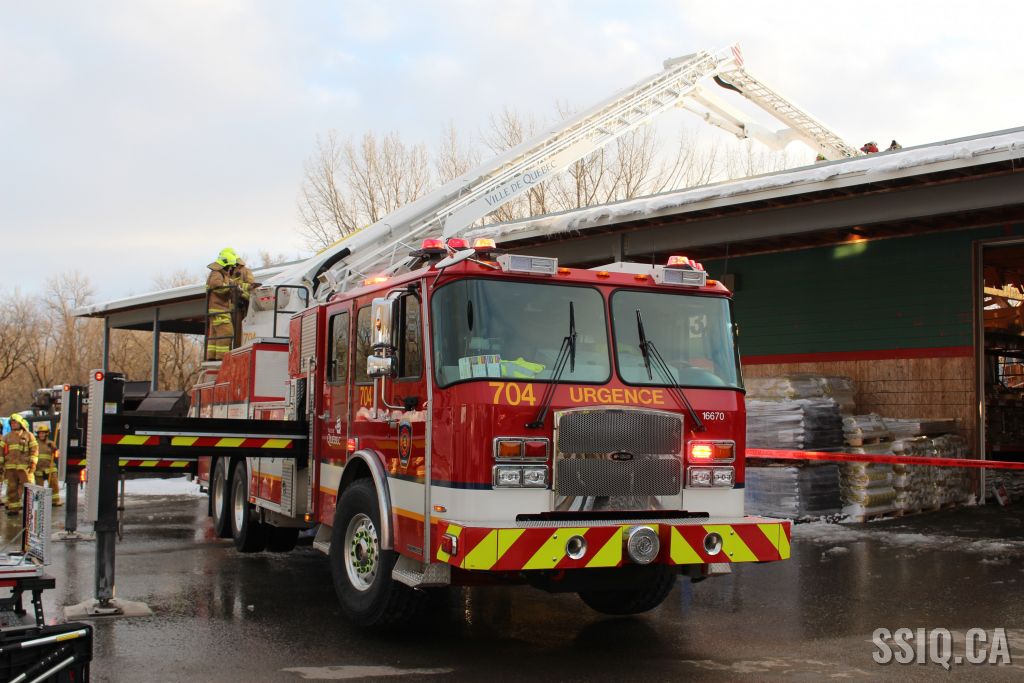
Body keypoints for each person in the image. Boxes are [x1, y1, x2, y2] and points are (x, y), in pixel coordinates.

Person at [205, 248, 240, 361]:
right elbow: (216, 286)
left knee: (215, 334)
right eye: (230, 266)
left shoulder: (221, 274)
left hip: (217, 309)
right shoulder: (217, 273)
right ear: (225, 264)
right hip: (219, 309)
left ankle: (212, 356)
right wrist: (230, 288)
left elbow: (225, 284)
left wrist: (235, 284)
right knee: (226, 332)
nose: (231, 269)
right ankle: (222, 357)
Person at [1, 414, 37, 516]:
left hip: (25, 467)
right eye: (12, 423)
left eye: (15, 423)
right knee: (11, 488)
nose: (13, 424)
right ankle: (14, 508)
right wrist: (1, 464)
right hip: (10, 467)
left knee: (29, 487)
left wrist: (33, 462)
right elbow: (1, 452)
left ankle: (31, 509)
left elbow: (34, 450)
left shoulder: (28, 435)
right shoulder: (6, 437)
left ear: (20, 423)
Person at [33, 424, 61, 506]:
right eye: (39, 433)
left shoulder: (51, 443)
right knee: (39, 487)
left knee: (54, 484)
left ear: (47, 434)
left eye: (43, 433)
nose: (41, 435)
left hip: (50, 468)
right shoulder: (35, 444)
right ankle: (40, 502)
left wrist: (55, 449)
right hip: (39, 468)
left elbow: (57, 456)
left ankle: (55, 500)